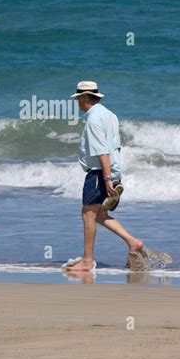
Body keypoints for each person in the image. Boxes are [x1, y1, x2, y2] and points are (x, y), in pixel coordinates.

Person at [64, 80, 145, 272]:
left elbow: (102, 151)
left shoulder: (93, 119)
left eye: (78, 99)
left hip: (100, 172)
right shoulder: (110, 115)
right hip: (111, 169)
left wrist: (107, 178)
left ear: (84, 97)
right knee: (99, 215)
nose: (77, 103)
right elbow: (115, 146)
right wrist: (114, 174)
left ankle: (87, 261)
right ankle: (133, 242)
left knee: (88, 214)